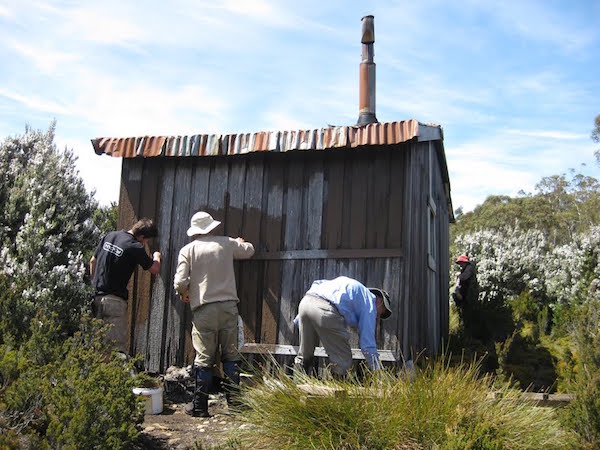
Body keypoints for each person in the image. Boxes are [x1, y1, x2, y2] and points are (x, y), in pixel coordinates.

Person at [173, 211, 255, 417]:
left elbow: (180, 282)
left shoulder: (187, 250)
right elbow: (249, 251)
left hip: (204, 310)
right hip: (228, 307)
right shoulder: (226, 243)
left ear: (194, 231)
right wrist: (239, 241)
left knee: (204, 359)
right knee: (231, 356)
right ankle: (235, 405)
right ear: (211, 227)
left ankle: (200, 407)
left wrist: (183, 294)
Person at [293, 276, 392, 378]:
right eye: (382, 312)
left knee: (305, 354)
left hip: (305, 303)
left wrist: (299, 319)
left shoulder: (352, 289)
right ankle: (337, 389)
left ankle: (296, 385)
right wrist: (378, 370)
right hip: (324, 309)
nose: (378, 317)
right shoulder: (370, 304)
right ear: (380, 301)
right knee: (343, 359)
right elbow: (367, 345)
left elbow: (315, 298)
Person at [90, 218, 162, 355]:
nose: (145, 243)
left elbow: (93, 261)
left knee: (96, 345)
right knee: (112, 348)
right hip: (115, 302)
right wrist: (157, 256)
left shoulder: (110, 235)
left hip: (96, 298)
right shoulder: (135, 246)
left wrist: (94, 283)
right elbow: (154, 269)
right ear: (142, 237)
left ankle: (96, 374)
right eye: (146, 240)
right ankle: (110, 375)